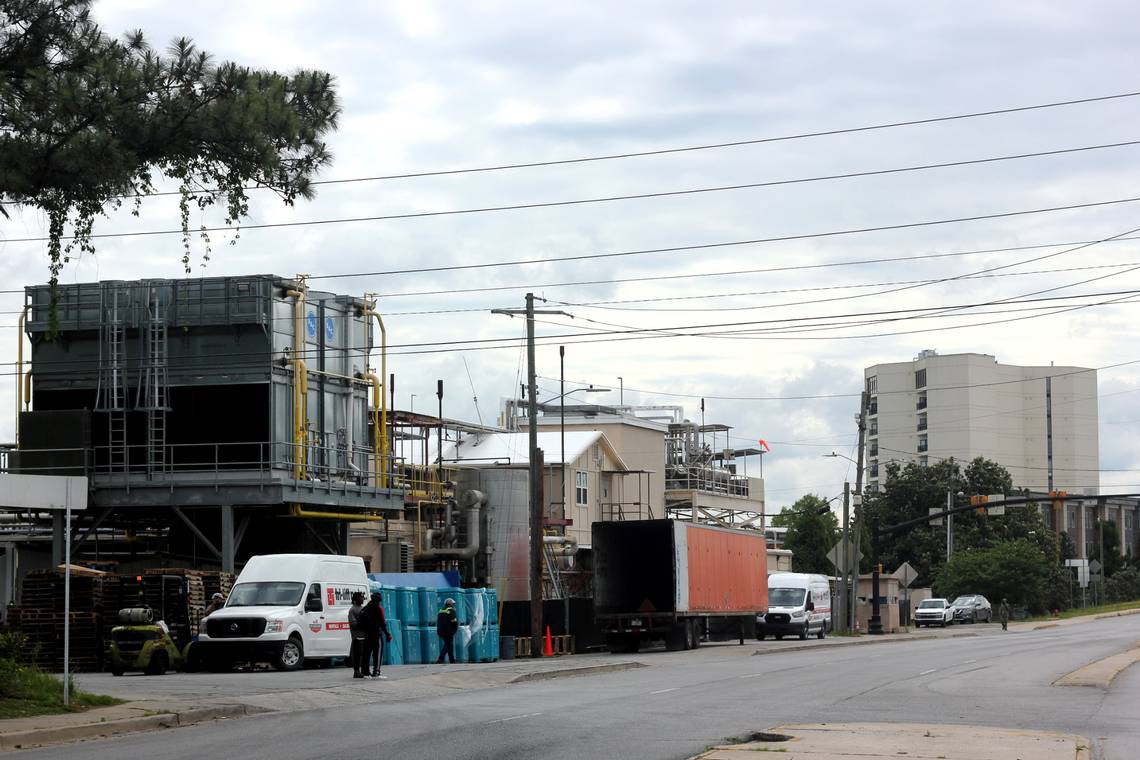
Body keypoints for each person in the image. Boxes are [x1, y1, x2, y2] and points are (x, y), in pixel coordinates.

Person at [358, 592, 392, 679]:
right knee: (377, 653)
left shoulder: (366, 608)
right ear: (379, 600)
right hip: (376, 634)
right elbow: (382, 623)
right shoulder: (378, 608)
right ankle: (376, 672)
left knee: (367, 653)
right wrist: (387, 634)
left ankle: (365, 672)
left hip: (367, 634)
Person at [347, 591, 366, 678]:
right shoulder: (352, 610)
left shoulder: (363, 608)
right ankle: (356, 671)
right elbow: (353, 624)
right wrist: (362, 622)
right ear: (355, 600)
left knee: (363, 655)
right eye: (360, 597)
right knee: (357, 654)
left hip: (364, 636)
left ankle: (363, 670)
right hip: (357, 637)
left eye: (363, 597)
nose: (362, 599)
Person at [436, 598, 459, 664]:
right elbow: (453, 621)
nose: (454, 605)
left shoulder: (441, 610)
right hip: (448, 631)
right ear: (450, 604)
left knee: (449, 645)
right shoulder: (450, 610)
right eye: (453, 604)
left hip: (441, 630)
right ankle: (440, 658)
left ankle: (452, 660)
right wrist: (455, 628)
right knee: (448, 644)